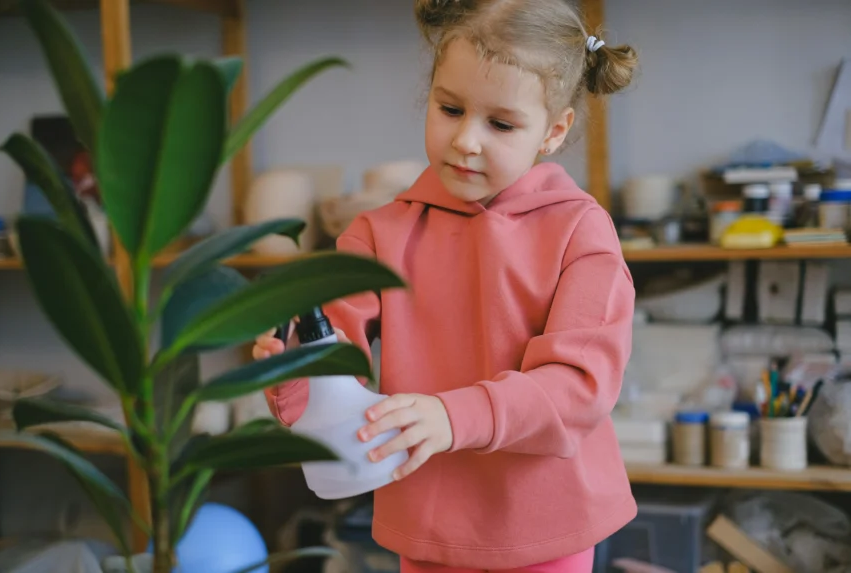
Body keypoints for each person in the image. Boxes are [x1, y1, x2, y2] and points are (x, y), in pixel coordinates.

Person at [253, 1, 639, 571]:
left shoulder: (580, 231)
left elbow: (579, 386)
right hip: (430, 523)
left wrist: (454, 416)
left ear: (554, 132)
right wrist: (293, 368)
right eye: (450, 108)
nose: (466, 140)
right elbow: (338, 376)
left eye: (500, 124)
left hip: (547, 525)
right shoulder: (377, 236)